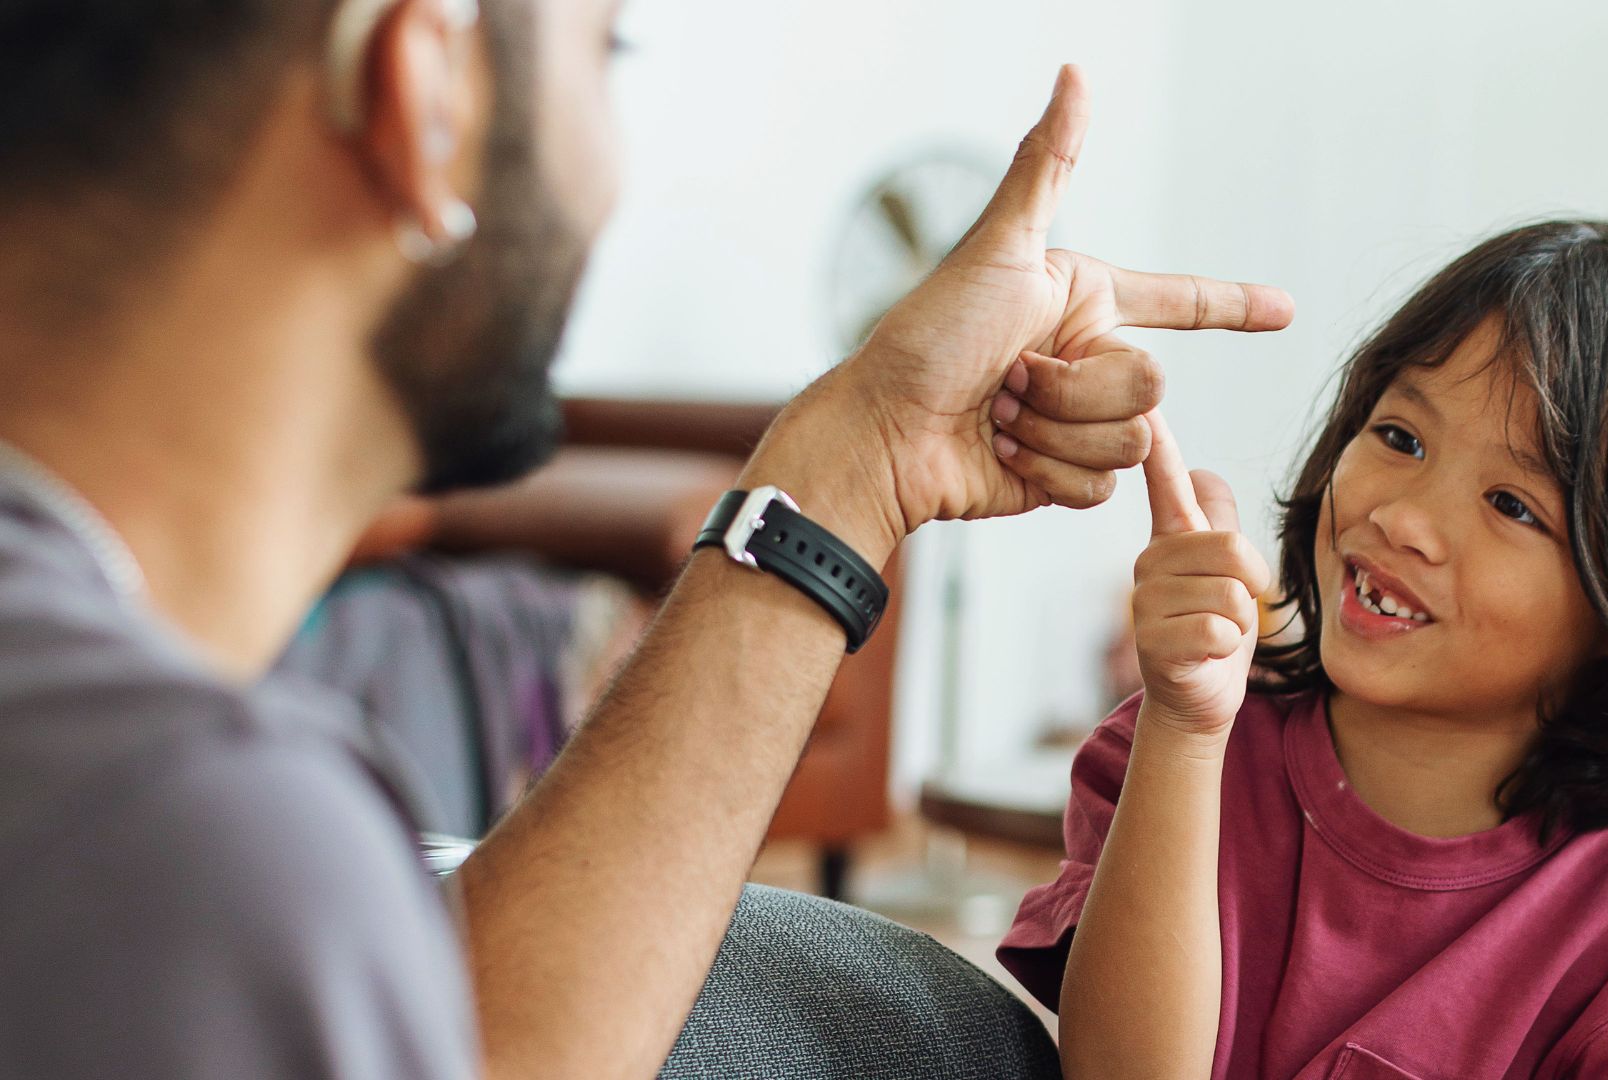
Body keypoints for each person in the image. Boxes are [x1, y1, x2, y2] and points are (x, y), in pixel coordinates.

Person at [0, 0, 1295, 1076]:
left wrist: (864, 453)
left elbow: (496, 1050)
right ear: (421, 85)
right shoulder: (197, 840)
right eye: (603, 52)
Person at [999, 221, 1608, 1078]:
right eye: (1401, 438)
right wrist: (1183, 730)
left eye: (1512, 504)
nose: (1403, 518)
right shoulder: (1179, 757)